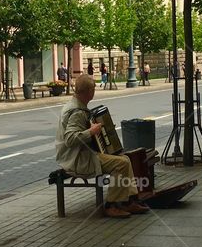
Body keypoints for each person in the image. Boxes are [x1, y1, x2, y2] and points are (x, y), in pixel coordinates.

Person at [55, 74, 149, 219]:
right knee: (121, 163)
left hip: (79, 155)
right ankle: (111, 205)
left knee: (124, 158)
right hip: (78, 159)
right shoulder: (77, 112)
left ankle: (128, 200)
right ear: (89, 91)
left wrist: (98, 132)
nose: (94, 91)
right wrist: (91, 132)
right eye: (93, 89)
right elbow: (70, 139)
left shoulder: (73, 105)